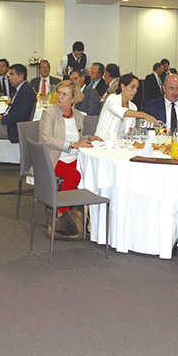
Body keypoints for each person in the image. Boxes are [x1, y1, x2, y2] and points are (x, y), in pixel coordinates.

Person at [39, 80, 103, 240]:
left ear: (73, 98)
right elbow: (46, 139)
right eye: (59, 93)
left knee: (91, 173)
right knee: (74, 176)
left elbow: (79, 137)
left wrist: (90, 138)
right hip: (55, 158)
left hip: (74, 157)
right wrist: (72, 144)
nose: (59, 97)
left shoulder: (79, 116)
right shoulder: (49, 113)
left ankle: (89, 219)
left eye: (64, 94)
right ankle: (61, 214)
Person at [94, 73, 158, 141]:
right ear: (123, 86)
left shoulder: (133, 107)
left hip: (120, 145)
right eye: (132, 87)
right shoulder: (112, 98)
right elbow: (123, 112)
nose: (135, 91)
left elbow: (131, 130)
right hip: (102, 142)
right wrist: (144, 115)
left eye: (137, 88)